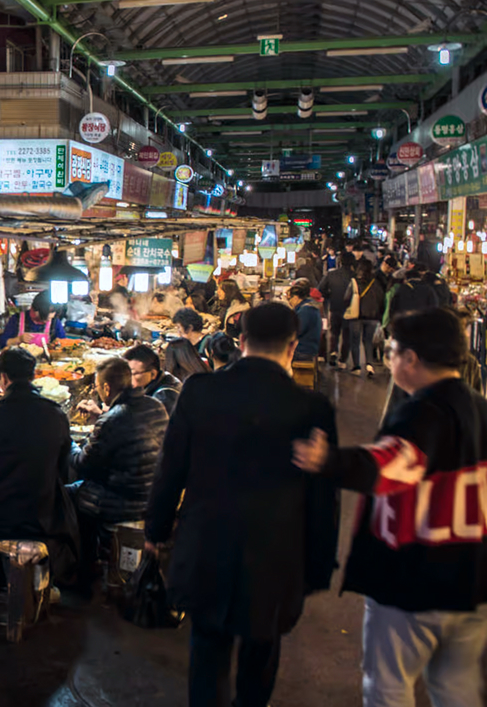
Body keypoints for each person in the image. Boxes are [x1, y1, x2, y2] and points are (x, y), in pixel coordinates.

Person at [145, 302, 339, 707]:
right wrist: (319, 565)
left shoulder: (200, 390)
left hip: (207, 545)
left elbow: (171, 468)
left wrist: (155, 531)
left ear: (243, 341)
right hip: (277, 555)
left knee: (207, 654)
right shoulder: (312, 407)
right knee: (261, 656)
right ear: (292, 346)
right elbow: (324, 496)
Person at [293, 308, 487, 707]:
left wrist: (327, 461)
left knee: (388, 684)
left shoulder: (423, 413)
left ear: (411, 359)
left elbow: (393, 466)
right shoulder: (481, 408)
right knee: (458, 687)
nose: (391, 359)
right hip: (473, 580)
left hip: (414, 578)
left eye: (393, 351)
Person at [69, 357, 168, 585]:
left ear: (105, 387)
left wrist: (68, 441)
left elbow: (82, 464)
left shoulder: (113, 418)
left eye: (97, 387)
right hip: (153, 493)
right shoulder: (155, 406)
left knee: (71, 494)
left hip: (123, 499)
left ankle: (84, 569)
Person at [0, 347, 72, 543]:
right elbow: (63, 466)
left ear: (3, 378)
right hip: (43, 519)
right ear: (33, 375)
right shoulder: (57, 415)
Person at [344, 259, 385, 377]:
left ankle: (356, 367)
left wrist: (348, 307)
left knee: (355, 341)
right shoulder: (375, 283)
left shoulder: (354, 282)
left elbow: (346, 298)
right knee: (368, 342)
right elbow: (381, 299)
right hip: (372, 317)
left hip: (356, 316)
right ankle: (369, 365)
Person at [318, 251, 355, 367]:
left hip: (334, 307)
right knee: (347, 335)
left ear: (339, 262)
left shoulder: (331, 275)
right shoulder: (355, 276)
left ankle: (333, 352)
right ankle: (342, 360)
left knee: (334, 332)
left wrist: (329, 296)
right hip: (350, 309)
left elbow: (320, 289)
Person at [123, 344, 182, 415]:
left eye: (133, 374)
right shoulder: (159, 378)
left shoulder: (164, 396)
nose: (127, 379)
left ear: (153, 374)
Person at [0, 291, 65, 349]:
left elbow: (63, 343)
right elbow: (3, 343)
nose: (47, 321)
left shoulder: (55, 322)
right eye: (44, 318)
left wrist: (56, 344)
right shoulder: (16, 319)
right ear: (34, 309)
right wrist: (18, 339)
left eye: (50, 318)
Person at [286, 278, 321, 362]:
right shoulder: (308, 307)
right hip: (309, 348)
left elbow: (297, 331)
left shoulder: (305, 311)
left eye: (289, 299)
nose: (289, 302)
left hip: (303, 350)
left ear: (295, 297)